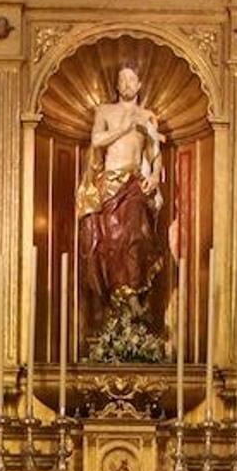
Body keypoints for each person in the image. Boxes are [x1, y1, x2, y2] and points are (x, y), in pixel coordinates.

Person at [77, 64, 167, 340]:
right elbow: (96, 140)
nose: (127, 84)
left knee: (137, 238)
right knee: (108, 245)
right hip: (108, 186)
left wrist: (154, 177)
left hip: (134, 185)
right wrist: (126, 127)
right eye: (122, 80)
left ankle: (134, 301)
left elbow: (154, 152)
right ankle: (122, 307)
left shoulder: (147, 116)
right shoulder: (105, 111)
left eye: (132, 79)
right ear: (117, 86)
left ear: (139, 85)